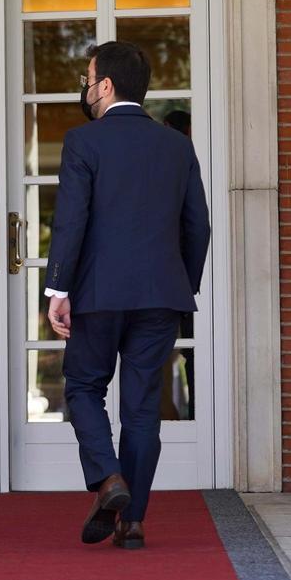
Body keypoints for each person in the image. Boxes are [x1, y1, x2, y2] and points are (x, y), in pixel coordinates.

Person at [45, 41, 211, 550]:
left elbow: (71, 221)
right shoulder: (176, 145)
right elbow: (198, 227)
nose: (85, 88)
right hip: (161, 295)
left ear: (107, 86)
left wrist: (58, 288)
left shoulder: (83, 142)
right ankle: (133, 520)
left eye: (88, 78)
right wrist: (180, 283)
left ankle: (108, 479)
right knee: (141, 408)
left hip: (97, 293)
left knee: (82, 388)